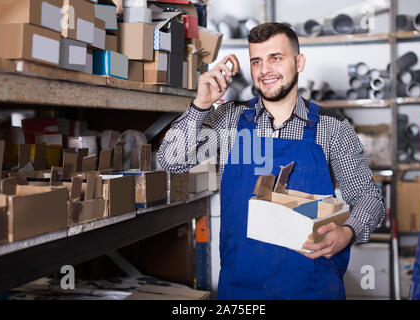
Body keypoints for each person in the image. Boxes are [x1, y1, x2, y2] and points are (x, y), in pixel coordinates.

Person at [157, 22, 385, 299]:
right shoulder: (229, 120)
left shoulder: (333, 127)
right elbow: (170, 162)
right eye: (256, 61)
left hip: (313, 287)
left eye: (275, 58)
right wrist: (201, 105)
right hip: (242, 291)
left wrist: (349, 232)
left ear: (299, 62)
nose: (265, 70)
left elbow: (368, 198)